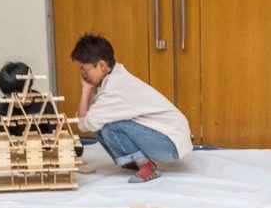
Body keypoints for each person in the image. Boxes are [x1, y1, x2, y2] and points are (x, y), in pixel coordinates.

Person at [71, 33, 192, 183]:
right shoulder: (112, 80)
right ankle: (136, 162)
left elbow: (85, 125)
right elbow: (86, 123)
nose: (83, 75)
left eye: (85, 70)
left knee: (111, 126)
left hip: (169, 143)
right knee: (101, 126)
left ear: (102, 66)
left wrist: (85, 90)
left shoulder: (114, 88)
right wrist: (87, 88)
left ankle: (147, 167)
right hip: (166, 138)